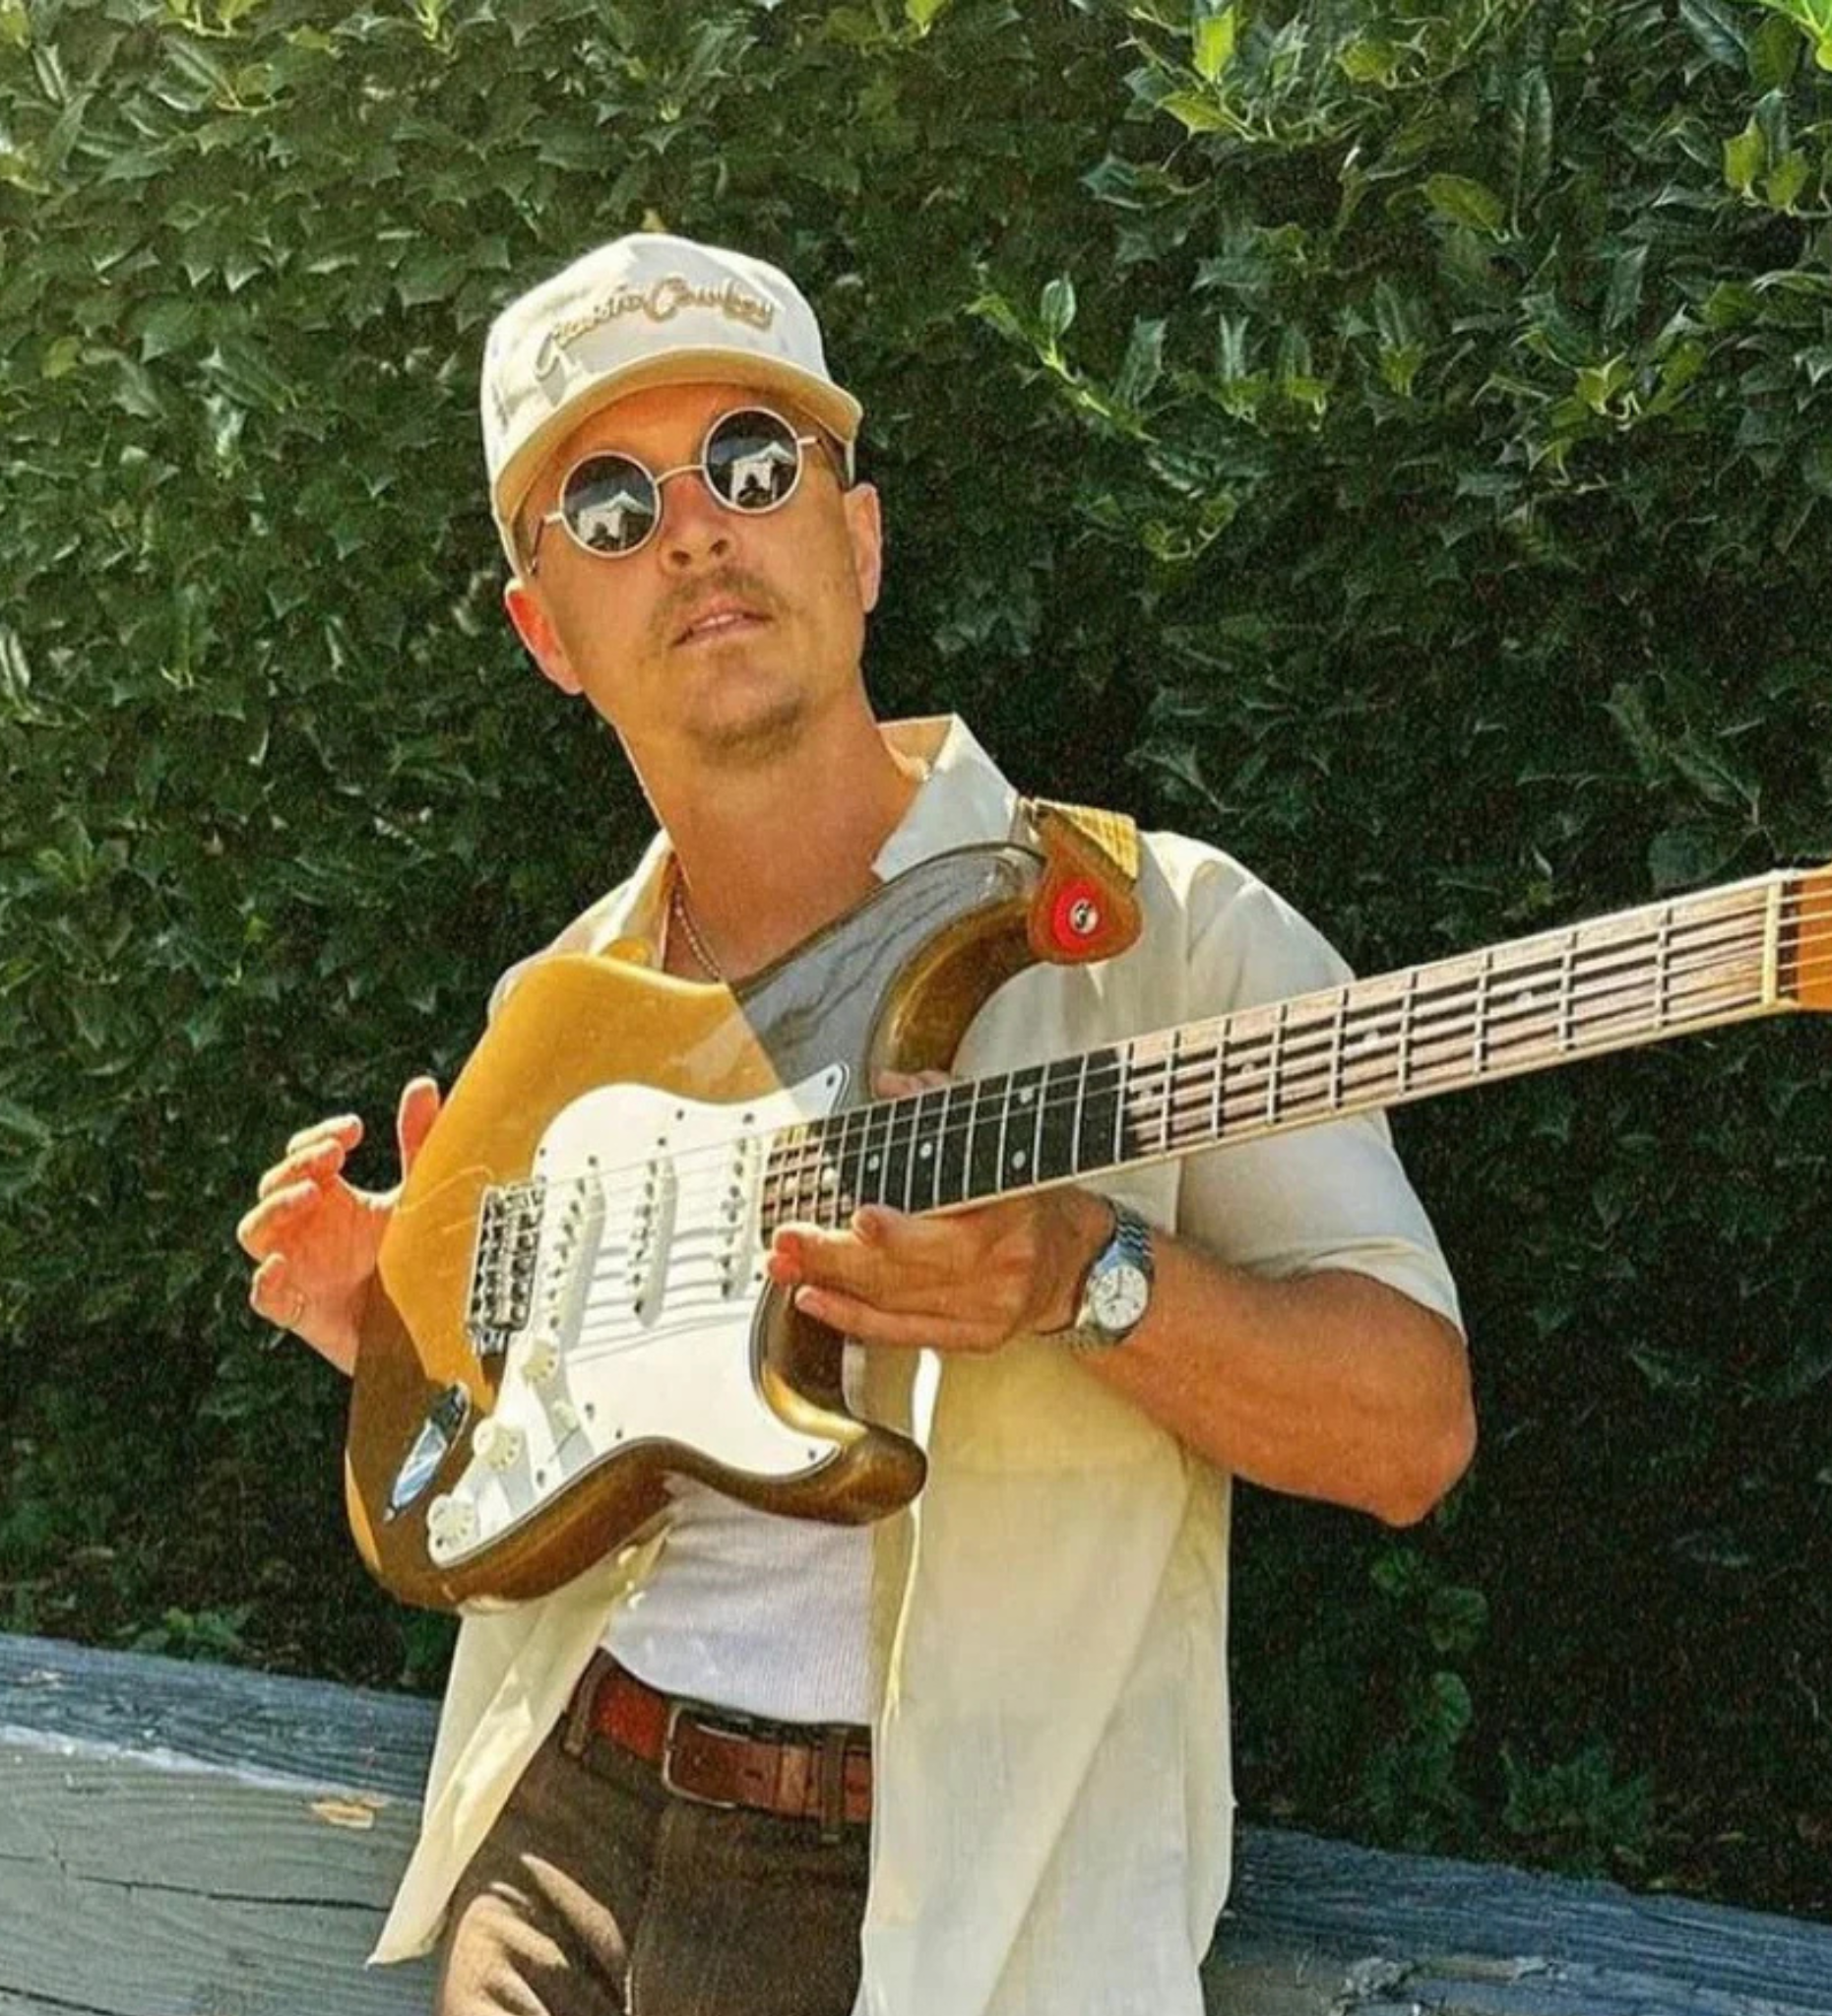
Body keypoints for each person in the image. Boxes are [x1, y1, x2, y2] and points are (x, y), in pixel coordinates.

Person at [234, 233, 1476, 2016]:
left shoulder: (1163, 933)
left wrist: (1085, 1273)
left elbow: (1409, 1428)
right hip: (556, 1863)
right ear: (546, 636)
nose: (692, 528)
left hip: (949, 1923)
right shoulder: (559, 1014)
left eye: (752, 460)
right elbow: (530, 1459)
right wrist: (400, 1324)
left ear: (858, 535)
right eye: (605, 504)